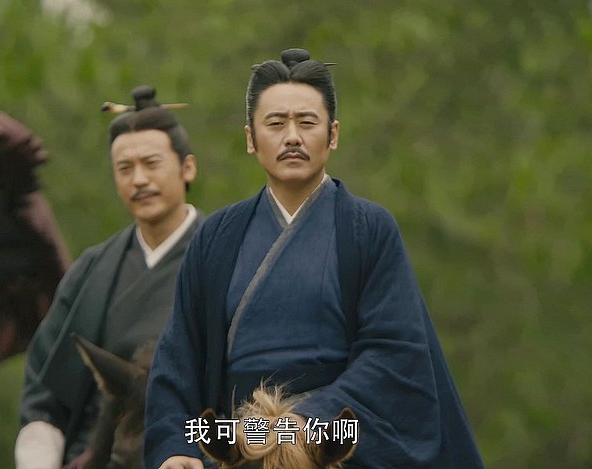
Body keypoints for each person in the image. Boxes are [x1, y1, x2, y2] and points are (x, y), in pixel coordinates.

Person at [144, 49, 484, 468]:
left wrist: (308, 421)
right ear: (250, 139)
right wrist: (174, 445)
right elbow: (179, 357)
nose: (292, 137)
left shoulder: (367, 229)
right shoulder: (216, 237)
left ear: (333, 134)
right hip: (235, 443)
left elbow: (394, 355)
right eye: (275, 124)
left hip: (333, 438)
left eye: (307, 123)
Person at [15, 85, 203, 468]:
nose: (138, 179)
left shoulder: (229, 256)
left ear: (187, 168)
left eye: (151, 163)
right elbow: (44, 399)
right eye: (124, 168)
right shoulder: (92, 270)